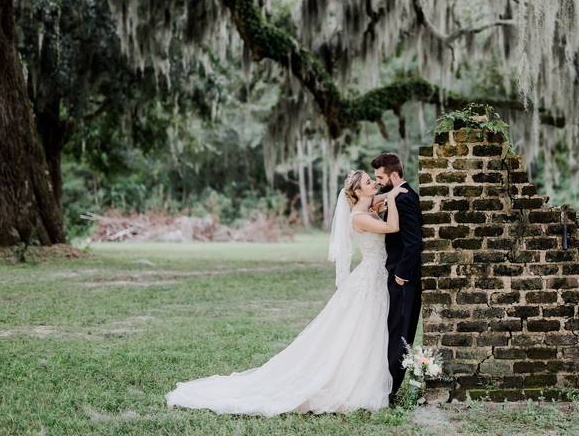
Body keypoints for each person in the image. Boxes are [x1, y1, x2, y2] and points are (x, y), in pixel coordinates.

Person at [165, 170, 408, 416]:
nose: (374, 183)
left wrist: (385, 198)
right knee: (360, 329)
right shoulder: (358, 218)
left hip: (376, 276)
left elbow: (377, 206)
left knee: (368, 330)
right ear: (357, 191)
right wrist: (393, 196)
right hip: (369, 277)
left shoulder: (366, 210)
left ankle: (364, 377)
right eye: (369, 181)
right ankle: (351, 385)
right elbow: (392, 226)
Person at [370, 152, 424, 405]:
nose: (378, 181)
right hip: (393, 274)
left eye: (380, 177)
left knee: (401, 332)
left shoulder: (404, 199)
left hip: (403, 278)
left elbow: (413, 243)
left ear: (394, 174)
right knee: (393, 330)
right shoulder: (395, 195)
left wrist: (402, 274)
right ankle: (386, 385)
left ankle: (389, 390)